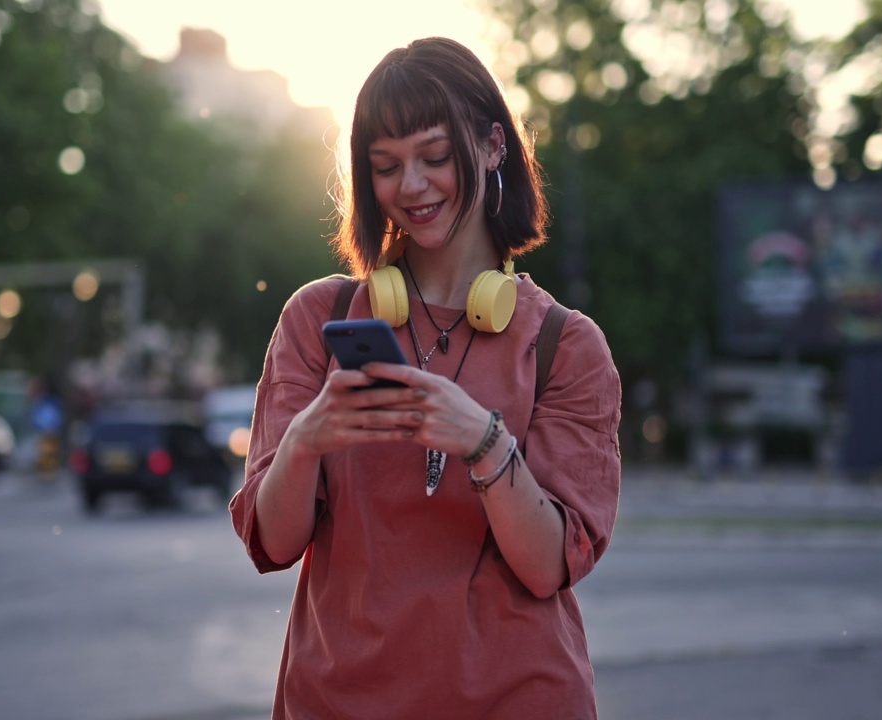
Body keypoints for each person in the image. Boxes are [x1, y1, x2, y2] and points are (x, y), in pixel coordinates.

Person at [229, 37, 622, 719]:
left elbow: (547, 566)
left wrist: (486, 443)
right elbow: (276, 541)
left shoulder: (567, 345)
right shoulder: (318, 320)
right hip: (336, 702)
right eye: (385, 166)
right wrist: (305, 440)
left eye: (434, 157)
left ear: (493, 145)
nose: (411, 186)